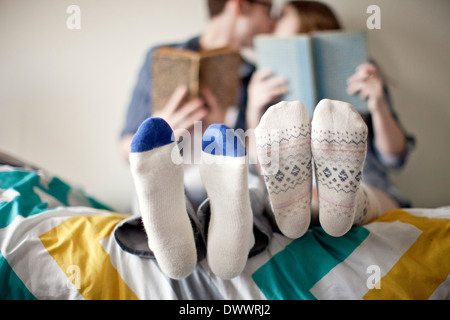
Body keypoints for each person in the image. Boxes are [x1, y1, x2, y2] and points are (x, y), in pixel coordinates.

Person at [117, 0, 279, 281]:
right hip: (177, 170)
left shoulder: (256, 78)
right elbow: (125, 149)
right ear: (240, 6)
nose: (272, 23)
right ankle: (178, 235)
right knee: (158, 186)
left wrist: (223, 125)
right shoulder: (161, 58)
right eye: (268, 10)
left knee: (248, 187)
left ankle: (217, 238)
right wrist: (163, 126)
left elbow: (257, 160)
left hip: (225, 177)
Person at [250, 1, 415, 238]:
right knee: (305, 198)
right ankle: (317, 209)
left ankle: (340, 205)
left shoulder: (362, 72)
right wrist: (254, 111)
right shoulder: (263, 81)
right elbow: (259, 167)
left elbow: (394, 157)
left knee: (360, 194)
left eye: (281, 19)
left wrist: (377, 104)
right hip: (298, 190)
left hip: (369, 183)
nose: (273, 24)